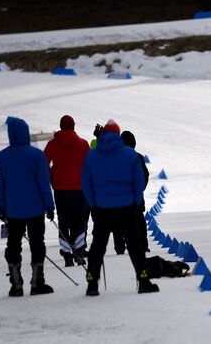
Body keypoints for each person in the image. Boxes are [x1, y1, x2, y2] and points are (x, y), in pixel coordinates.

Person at [81, 119, 158, 296]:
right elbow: (139, 181)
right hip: (126, 207)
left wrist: (93, 203)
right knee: (135, 246)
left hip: (101, 208)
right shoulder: (130, 155)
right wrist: (135, 201)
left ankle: (92, 284)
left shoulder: (92, 156)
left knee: (98, 247)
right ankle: (143, 280)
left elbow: (85, 182)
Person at [0, 117, 56, 297]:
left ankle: (16, 284)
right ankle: (37, 282)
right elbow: (43, 183)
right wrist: (49, 205)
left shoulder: (4, 156)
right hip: (36, 209)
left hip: (13, 211)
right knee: (38, 245)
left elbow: (0, 186)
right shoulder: (36, 155)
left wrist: (2, 208)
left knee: (13, 246)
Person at [44, 115, 90, 267]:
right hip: (79, 189)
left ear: (61, 126)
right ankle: (79, 250)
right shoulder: (83, 144)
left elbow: (43, 164)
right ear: (73, 126)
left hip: (61, 189)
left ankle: (67, 254)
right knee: (79, 220)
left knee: (63, 221)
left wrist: (53, 175)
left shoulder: (52, 144)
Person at [112, 130, 150, 254]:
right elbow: (145, 175)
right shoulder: (138, 157)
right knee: (139, 220)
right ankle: (143, 245)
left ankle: (119, 247)